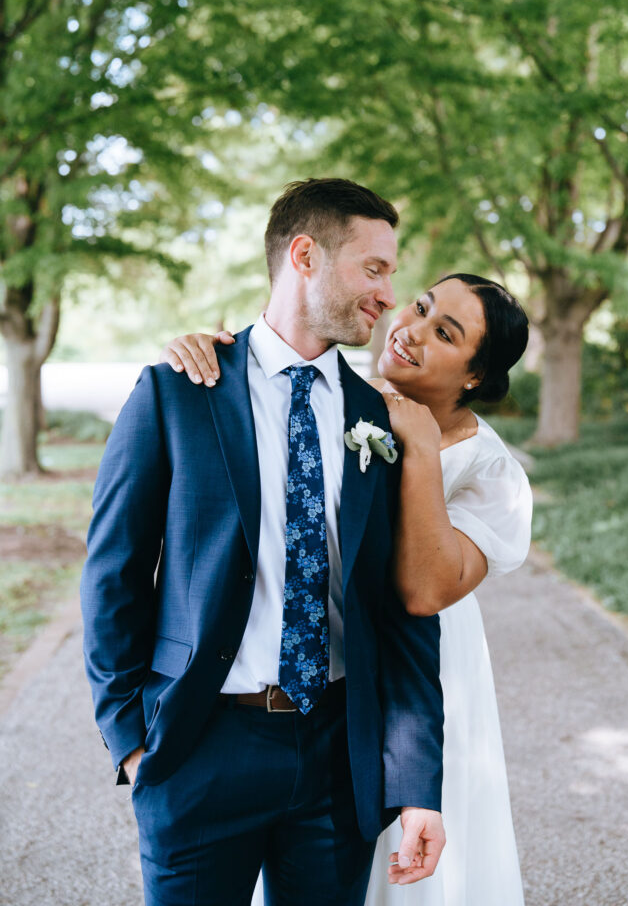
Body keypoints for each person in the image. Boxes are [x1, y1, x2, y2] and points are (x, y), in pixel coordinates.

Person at [80, 178, 446, 906]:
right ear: (304, 255)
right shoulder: (178, 390)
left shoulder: (383, 418)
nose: (387, 294)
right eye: (373, 268)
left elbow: (400, 613)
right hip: (200, 750)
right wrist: (131, 739)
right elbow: (112, 573)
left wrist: (415, 786)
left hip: (338, 760)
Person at [163, 271, 532, 906]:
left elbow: (422, 592)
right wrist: (216, 354)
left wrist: (418, 452)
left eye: (443, 333)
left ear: (475, 377)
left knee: (407, 871)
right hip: (330, 679)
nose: (410, 329)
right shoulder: (347, 401)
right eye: (420, 308)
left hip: (425, 682)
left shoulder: (494, 475)